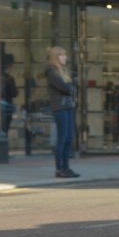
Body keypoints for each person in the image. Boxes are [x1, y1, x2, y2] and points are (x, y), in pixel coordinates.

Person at [46, 45, 79, 178]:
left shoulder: (62, 71)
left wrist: (71, 87)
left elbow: (70, 88)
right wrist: (71, 87)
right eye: (62, 55)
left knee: (68, 138)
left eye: (65, 55)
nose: (65, 57)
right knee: (62, 138)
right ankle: (60, 169)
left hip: (67, 106)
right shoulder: (52, 72)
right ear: (56, 57)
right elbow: (66, 88)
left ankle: (66, 167)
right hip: (60, 107)